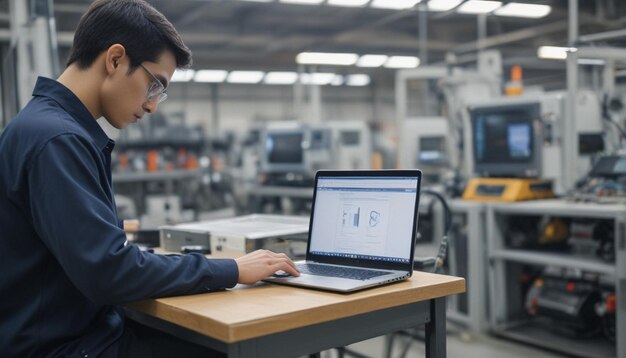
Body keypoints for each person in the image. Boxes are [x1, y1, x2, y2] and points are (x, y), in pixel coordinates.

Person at [0, 1, 299, 357]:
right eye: (155, 85)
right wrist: (231, 269)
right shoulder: (58, 139)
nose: (153, 105)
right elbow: (108, 273)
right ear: (114, 59)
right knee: (235, 349)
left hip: (71, 331)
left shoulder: (44, 126)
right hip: (66, 347)